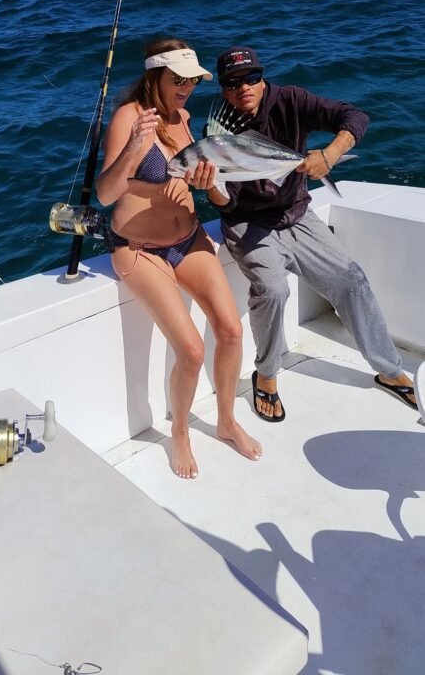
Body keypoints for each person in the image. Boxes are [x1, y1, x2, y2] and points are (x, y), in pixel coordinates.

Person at [206, 46, 417, 421]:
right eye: (233, 83)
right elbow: (227, 201)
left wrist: (329, 155)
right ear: (224, 89)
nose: (244, 87)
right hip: (248, 223)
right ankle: (266, 375)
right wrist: (210, 185)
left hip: (298, 214)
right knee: (273, 290)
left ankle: (388, 369)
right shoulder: (219, 135)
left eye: (252, 77)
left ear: (263, 77)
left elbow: (355, 116)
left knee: (352, 280)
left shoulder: (291, 99)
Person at [96, 37, 262, 478]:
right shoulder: (129, 117)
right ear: (156, 76)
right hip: (138, 249)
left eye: (192, 81)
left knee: (231, 329)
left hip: (188, 239)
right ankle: (181, 433)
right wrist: (134, 147)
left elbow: (210, 185)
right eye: (178, 80)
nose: (187, 88)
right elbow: (106, 193)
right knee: (190, 349)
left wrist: (207, 185)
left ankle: (226, 421)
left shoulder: (184, 119)